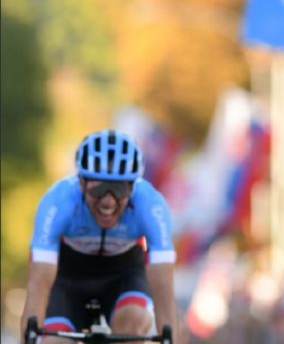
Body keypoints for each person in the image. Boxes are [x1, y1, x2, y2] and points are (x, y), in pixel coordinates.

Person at [20, 129, 177, 343]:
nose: (108, 201)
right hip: (68, 279)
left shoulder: (150, 205)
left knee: (133, 323)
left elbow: (164, 290)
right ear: (81, 182)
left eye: (118, 189)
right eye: (99, 188)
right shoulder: (58, 201)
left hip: (125, 274)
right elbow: (38, 286)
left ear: (132, 187)